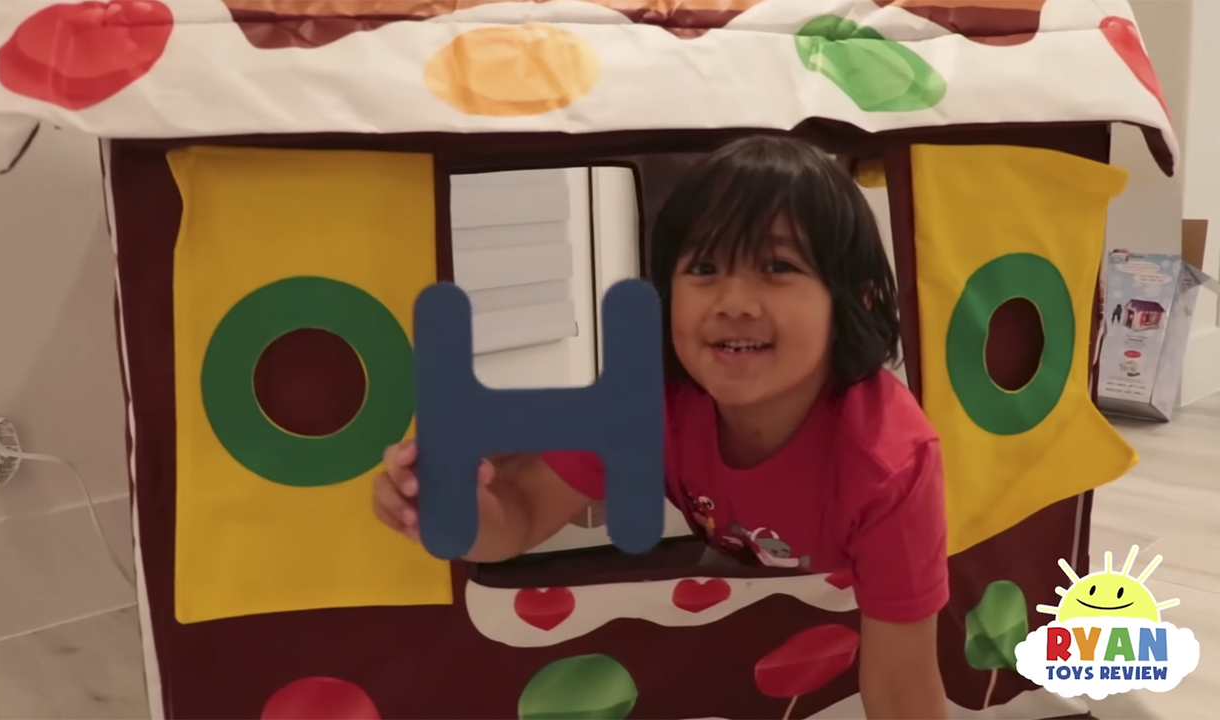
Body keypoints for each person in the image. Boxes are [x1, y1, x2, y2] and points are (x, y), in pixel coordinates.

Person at [374, 136, 949, 719]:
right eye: (703, 267)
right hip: (737, 568)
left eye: (777, 266)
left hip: (836, 583)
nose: (732, 300)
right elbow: (521, 511)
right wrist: (449, 509)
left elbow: (902, 685)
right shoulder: (649, 399)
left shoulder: (891, 461)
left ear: (858, 297)